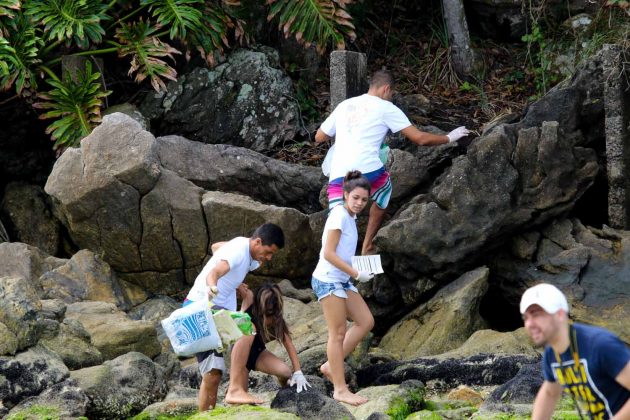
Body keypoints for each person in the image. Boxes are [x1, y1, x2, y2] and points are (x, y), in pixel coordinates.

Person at [315, 69, 471, 255]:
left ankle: (332, 263)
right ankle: (367, 247)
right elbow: (420, 139)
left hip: (337, 175)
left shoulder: (345, 105)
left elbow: (319, 137)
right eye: (392, 94)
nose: (391, 97)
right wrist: (449, 137)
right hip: (369, 171)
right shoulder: (386, 108)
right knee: (384, 190)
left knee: (337, 220)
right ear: (386, 89)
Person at [183, 223, 285, 412]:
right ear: (258, 241)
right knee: (247, 329)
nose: (269, 258)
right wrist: (212, 287)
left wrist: (236, 283)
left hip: (209, 311)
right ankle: (235, 389)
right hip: (202, 310)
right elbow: (214, 272)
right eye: (268, 252)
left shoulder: (247, 254)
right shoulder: (239, 250)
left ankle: (205, 415)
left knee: (213, 373)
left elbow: (215, 247)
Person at [311, 170, 375, 406]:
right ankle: (340, 389)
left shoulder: (350, 216)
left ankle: (331, 365)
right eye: (356, 198)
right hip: (328, 280)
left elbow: (343, 252)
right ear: (346, 195)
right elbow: (328, 253)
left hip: (342, 279)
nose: (359, 203)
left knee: (365, 321)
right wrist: (357, 273)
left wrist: (362, 264)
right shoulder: (338, 215)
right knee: (337, 334)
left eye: (364, 200)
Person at [520, 283, 630, 419]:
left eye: (536, 315)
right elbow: (550, 392)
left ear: (560, 314)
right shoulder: (552, 353)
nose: (529, 324)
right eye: (525, 318)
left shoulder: (600, 345)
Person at [225, 283, 311, 404]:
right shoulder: (249, 299)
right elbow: (235, 280)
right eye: (266, 313)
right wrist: (237, 286)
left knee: (285, 372)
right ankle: (233, 388)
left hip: (258, 352)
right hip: (240, 356)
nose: (268, 317)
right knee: (239, 401)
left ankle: (284, 386)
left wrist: (298, 371)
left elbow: (288, 343)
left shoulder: (275, 316)